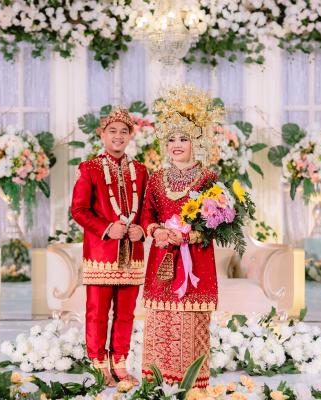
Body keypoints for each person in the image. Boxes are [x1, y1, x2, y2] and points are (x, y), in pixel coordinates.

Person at [140, 86, 224, 389]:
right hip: (162, 258)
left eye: (183, 139)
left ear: (195, 142)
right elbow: (146, 215)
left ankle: (191, 388)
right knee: (160, 320)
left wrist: (188, 236)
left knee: (191, 321)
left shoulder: (208, 179)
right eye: (172, 139)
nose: (176, 145)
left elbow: (217, 223)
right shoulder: (156, 178)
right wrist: (157, 231)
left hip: (194, 262)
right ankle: (155, 385)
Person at [71, 107, 148, 386]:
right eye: (112, 131)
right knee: (97, 313)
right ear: (102, 134)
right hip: (101, 254)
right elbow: (79, 210)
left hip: (132, 254)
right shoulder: (90, 169)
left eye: (123, 131)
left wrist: (142, 229)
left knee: (126, 313)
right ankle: (99, 365)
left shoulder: (140, 171)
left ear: (130, 136)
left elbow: (147, 209)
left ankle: (120, 364)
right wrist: (106, 228)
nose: (118, 136)